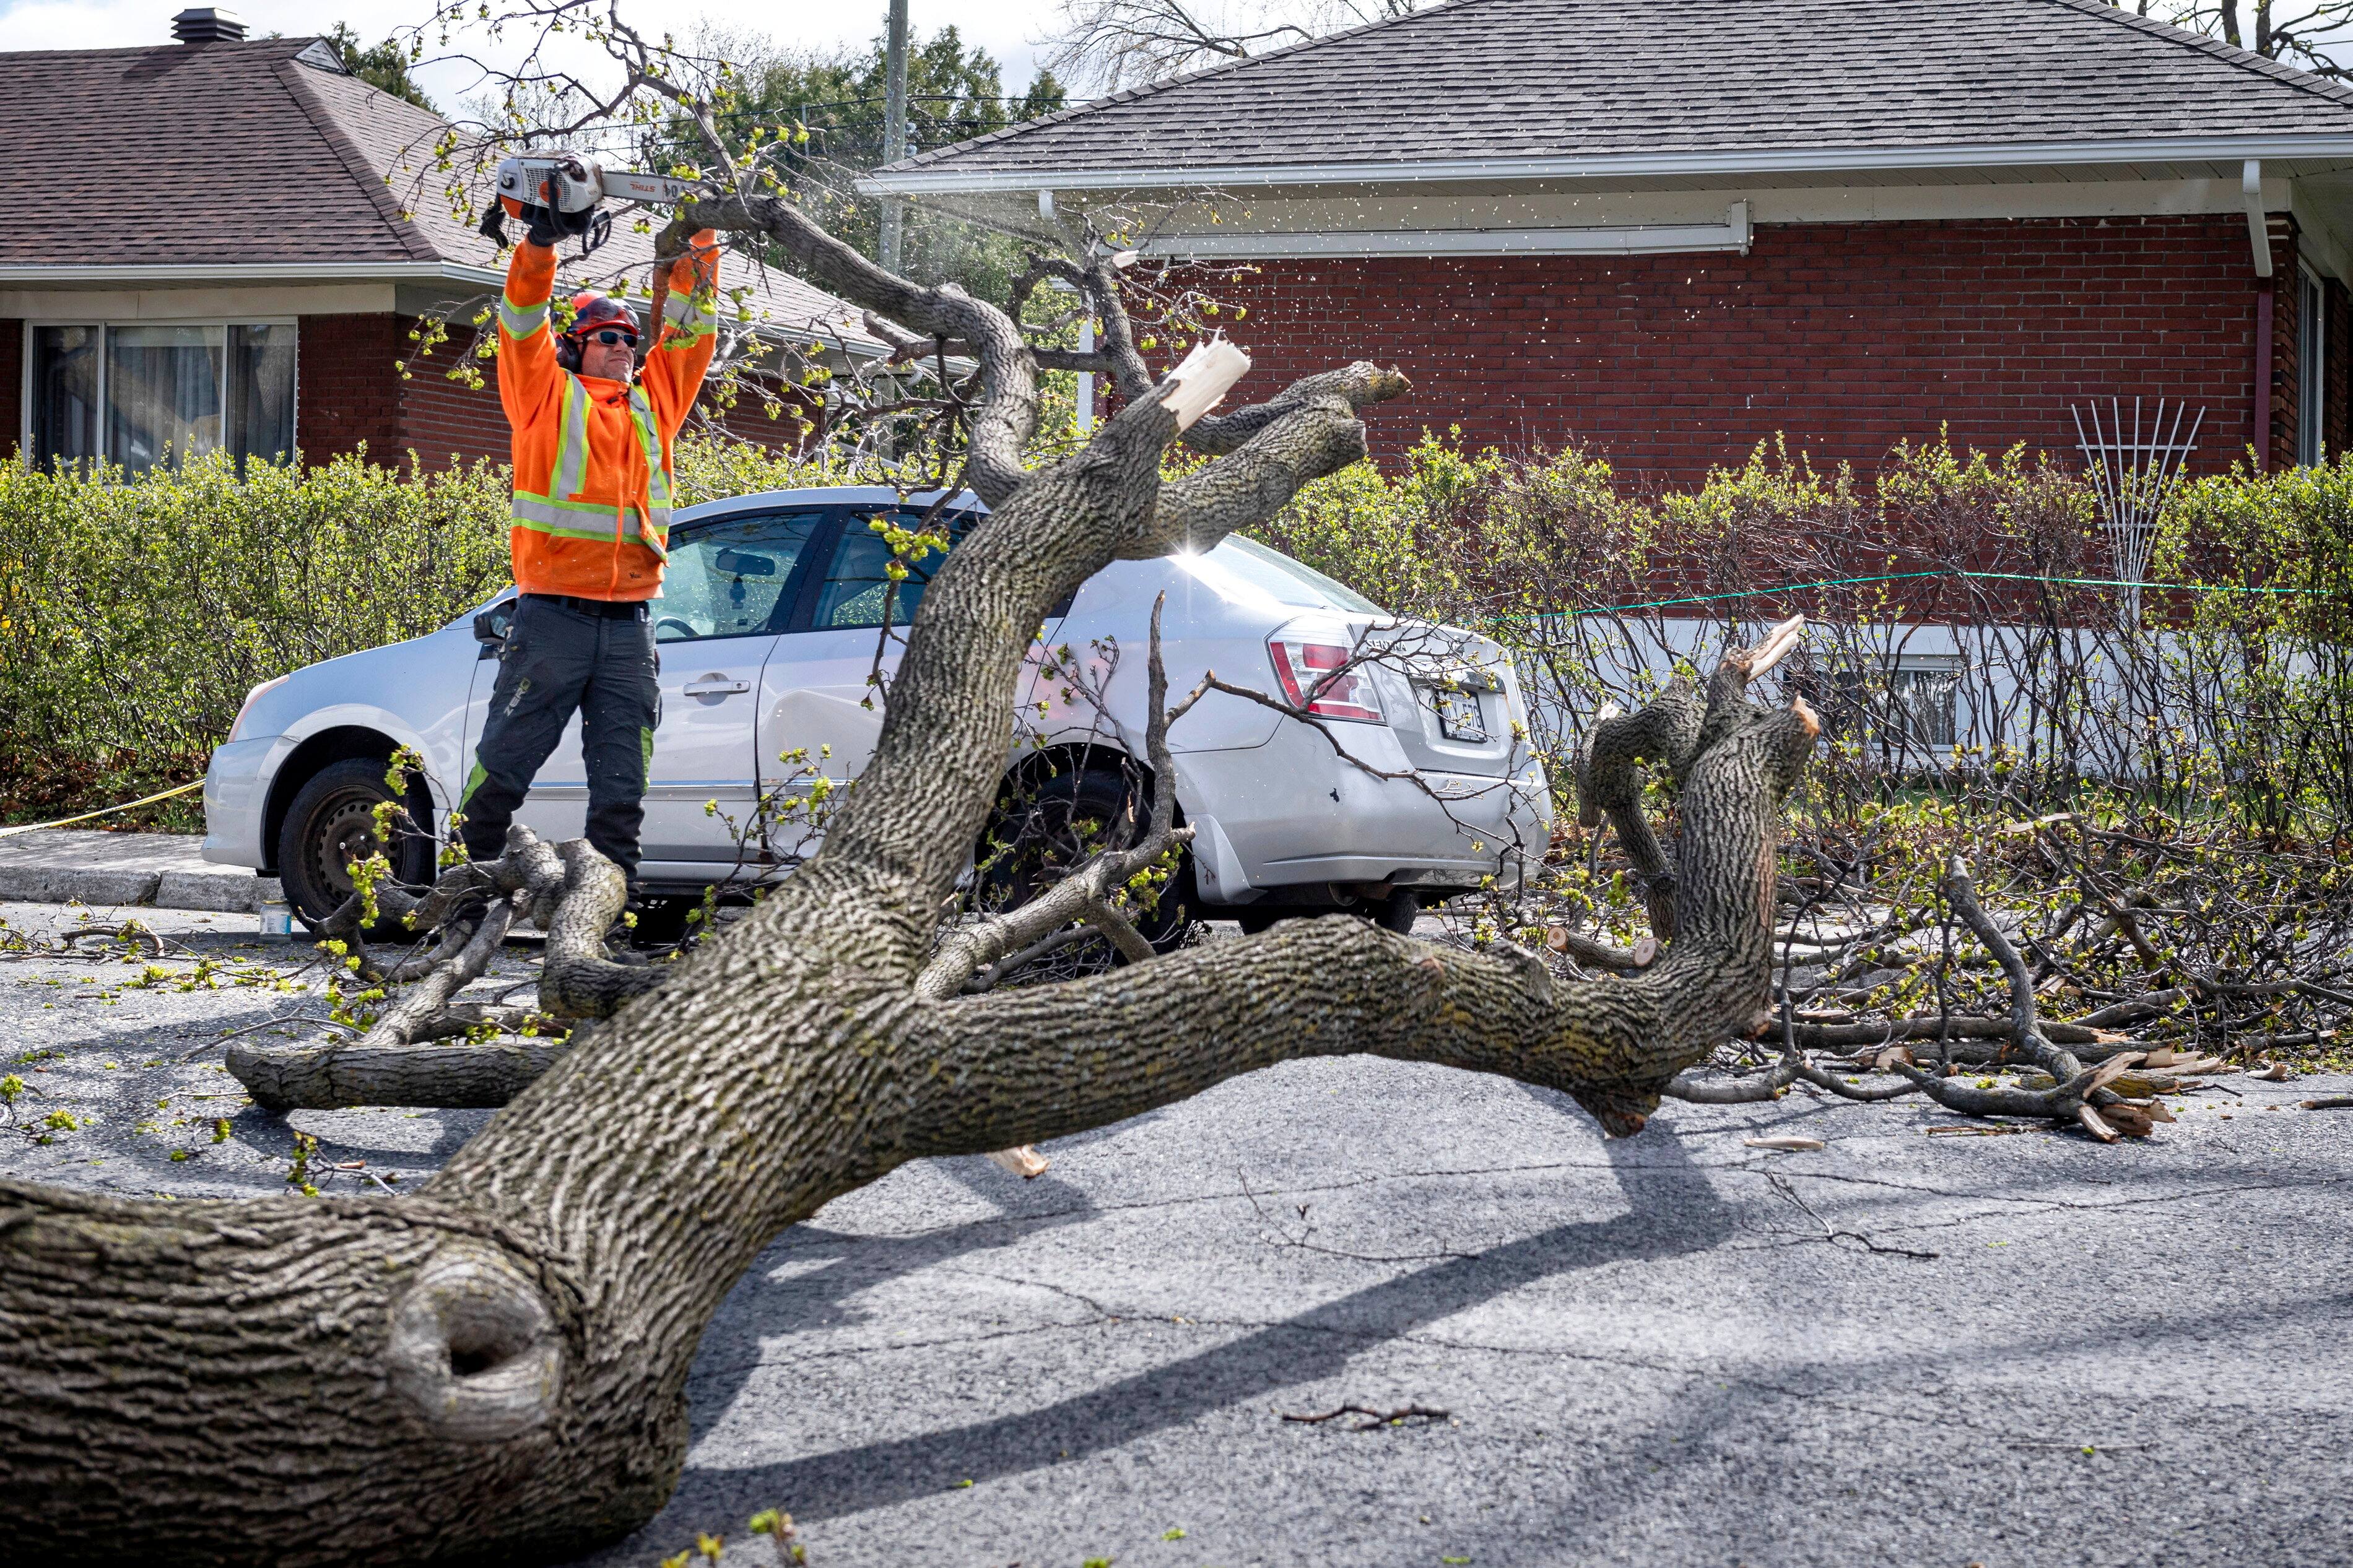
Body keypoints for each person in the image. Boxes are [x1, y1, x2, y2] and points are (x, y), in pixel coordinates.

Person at [456, 207, 721, 886]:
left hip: (630, 624)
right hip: (551, 620)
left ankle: (609, 909)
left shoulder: (651, 405)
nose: (623, 346)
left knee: (622, 785)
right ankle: (469, 886)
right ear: (575, 346)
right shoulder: (544, 394)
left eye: (629, 337)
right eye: (607, 337)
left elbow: (688, 334)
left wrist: (702, 239)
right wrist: (540, 244)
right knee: (504, 763)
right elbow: (520, 324)